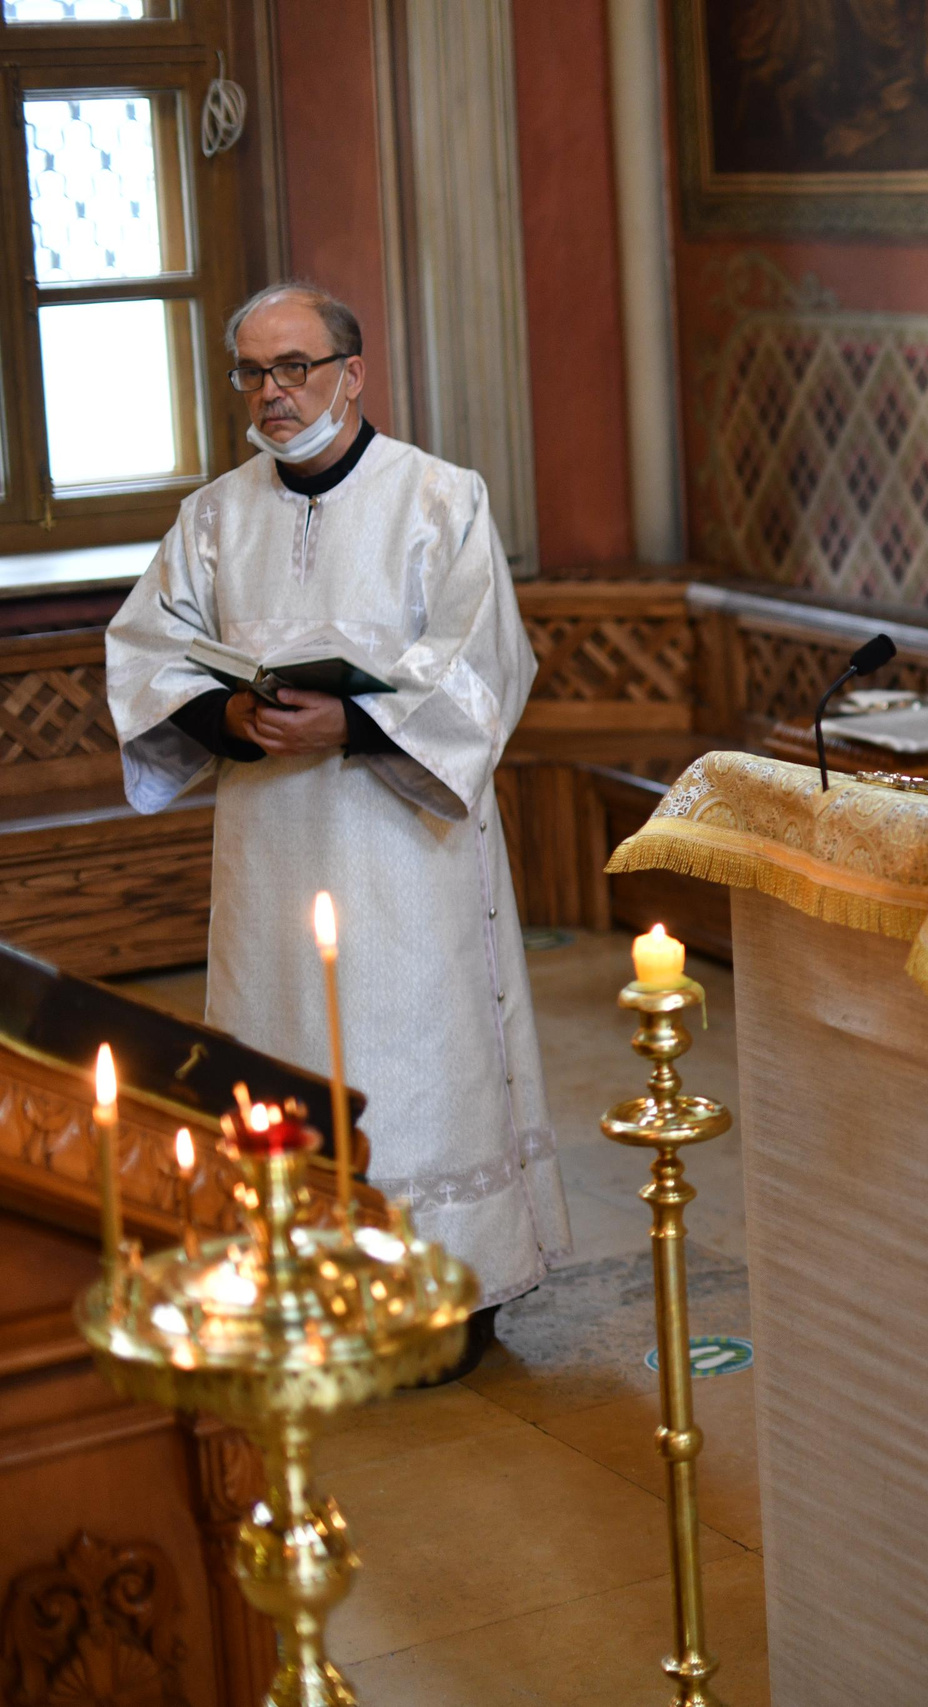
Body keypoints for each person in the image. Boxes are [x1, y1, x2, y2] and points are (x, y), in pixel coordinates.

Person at [105, 281, 569, 1379]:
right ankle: (291, 1284)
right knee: (278, 1050)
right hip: (270, 848)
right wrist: (229, 712)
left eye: (294, 368)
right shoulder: (214, 518)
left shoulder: (442, 502)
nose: (272, 394)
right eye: (252, 374)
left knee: (416, 1053)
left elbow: (484, 670)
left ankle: (441, 1294)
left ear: (352, 374)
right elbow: (145, 652)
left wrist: (352, 722)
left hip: (405, 854)